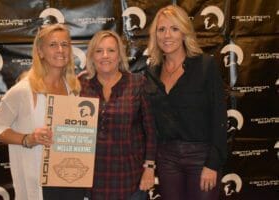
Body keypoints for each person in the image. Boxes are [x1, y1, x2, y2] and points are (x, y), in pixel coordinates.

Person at [0, 24, 85, 200]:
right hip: (39, 185)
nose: (60, 49)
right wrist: (27, 139)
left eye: (65, 44)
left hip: (70, 179)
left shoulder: (73, 89)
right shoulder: (24, 90)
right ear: (40, 52)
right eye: (53, 45)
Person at [145, 5, 227, 200]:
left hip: (201, 158)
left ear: (184, 32)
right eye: (161, 29)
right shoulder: (152, 71)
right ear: (155, 35)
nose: (167, 35)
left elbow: (219, 117)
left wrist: (212, 164)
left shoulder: (205, 66)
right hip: (166, 159)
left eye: (174, 28)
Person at [79, 30, 157, 200]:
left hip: (130, 179)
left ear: (120, 55)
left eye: (111, 50)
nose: (105, 56)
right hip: (92, 179)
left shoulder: (137, 83)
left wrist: (149, 168)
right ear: (91, 56)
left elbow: (151, 130)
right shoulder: (81, 86)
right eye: (99, 51)